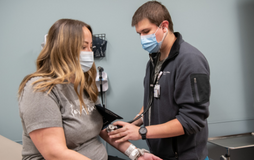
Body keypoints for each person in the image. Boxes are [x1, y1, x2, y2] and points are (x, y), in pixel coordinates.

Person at [18, 18, 162, 160]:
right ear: (62, 48)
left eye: (90, 47)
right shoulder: (40, 89)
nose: (89, 53)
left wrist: (136, 154)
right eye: (83, 47)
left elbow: (102, 129)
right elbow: (55, 154)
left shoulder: (83, 84)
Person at [108, 1, 211, 160]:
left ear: (164, 26)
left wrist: (141, 132)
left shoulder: (191, 60)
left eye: (146, 31)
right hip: (160, 154)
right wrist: (134, 123)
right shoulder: (154, 61)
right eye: (139, 34)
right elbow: (153, 101)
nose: (142, 38)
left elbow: (192, 120)